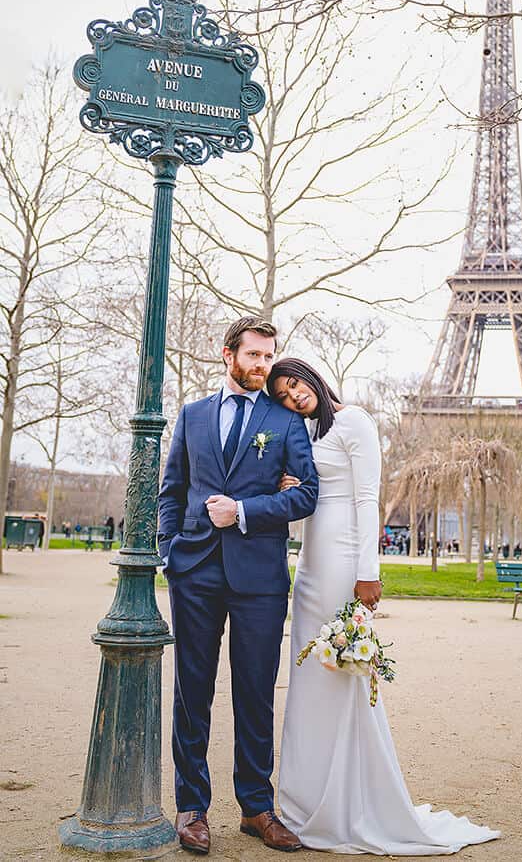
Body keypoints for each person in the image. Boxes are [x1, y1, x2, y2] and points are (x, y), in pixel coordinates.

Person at [269, 357, 500, 855]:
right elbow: (310, 494)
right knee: (309, 681)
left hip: (343, 561)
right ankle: (308, 801)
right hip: (310, 566)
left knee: (340, 678)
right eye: (283, 396)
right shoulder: (303, 433)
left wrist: (367, 571)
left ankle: (350, 802)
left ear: (311, 376)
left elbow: (367, 498)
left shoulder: (354, 421)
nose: (293, 397)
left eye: (294, 385)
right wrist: (293, 487)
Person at [158, 318, 319, 855]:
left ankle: (256, 808)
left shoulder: (286, 421)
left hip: (260, 579)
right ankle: (191, 807)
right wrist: (169, 552)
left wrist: (244, 511)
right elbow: (172, 489)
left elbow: (307, 495)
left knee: (255, 693)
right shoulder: (193, 415)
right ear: (227, 354)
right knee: (192, 693)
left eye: (269, 356)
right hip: (195, 572)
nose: (263, 365)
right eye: (253, 355)